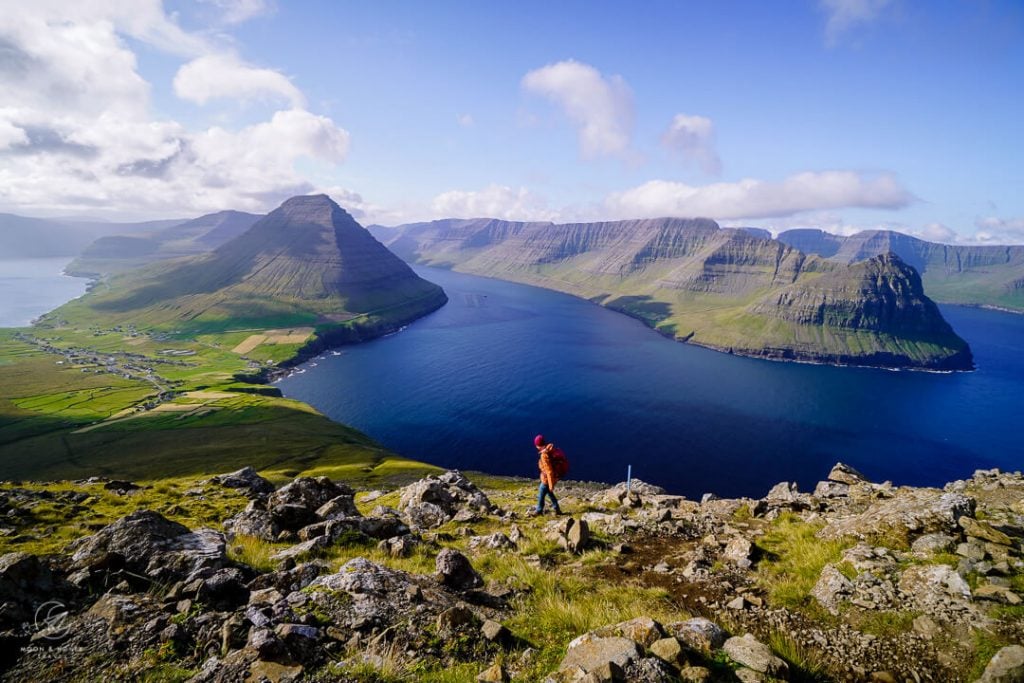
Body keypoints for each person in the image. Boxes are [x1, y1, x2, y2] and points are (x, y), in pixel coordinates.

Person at [533, 434, 563, 515]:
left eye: (536, 445)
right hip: (555, 477)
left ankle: (539, 510)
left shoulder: (544, 455)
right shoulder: (550, 449)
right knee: (549, 493)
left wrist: (551, 484)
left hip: (547, 479)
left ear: (538, 446)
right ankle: (557, 509)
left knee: (541, 494)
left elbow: (549, 471)